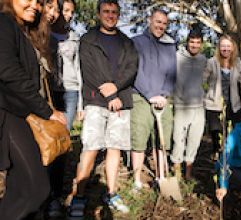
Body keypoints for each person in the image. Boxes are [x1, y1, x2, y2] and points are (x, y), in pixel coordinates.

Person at [68, 0, 138, 217]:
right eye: (106, 12)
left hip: (120, 103)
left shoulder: (127, 42)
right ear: (98, 14)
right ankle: (79, 195)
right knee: (90, 148)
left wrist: (115, 89)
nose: (110, 15)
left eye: (114, 12)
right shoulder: (88, 39)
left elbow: (132, 68)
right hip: (96, 101)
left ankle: (111, 192)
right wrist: (109, 93)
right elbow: (89, 70)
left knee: (114, 148)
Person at [0, 0, 67, 219]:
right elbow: (8, 71)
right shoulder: (4, 23)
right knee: (34, 190)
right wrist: (47, 111)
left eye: (38, 1)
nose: (34, 5)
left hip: (21, 113)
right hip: (8, 111)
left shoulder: (22, 30)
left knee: (26, 188)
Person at [130, 9, 176, 191]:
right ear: (150, 21)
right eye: (158, 22)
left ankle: (161, 177)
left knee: (162, 141)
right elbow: (134, 70)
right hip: (141, 97)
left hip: (163, 100)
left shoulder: (170, 45)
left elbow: (173, 73)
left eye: (164, 23)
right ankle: (136, 180)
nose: (160, 26)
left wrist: (164, 94)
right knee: (139, 139)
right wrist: (150, 94)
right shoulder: (137, 42)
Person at [46, 0, 82, 217]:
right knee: (44, 142)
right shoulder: (43, 33)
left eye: (71, 12)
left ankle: (55, 196)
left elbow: (78, 69)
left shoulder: (75, 38)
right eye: (64, 10)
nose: (67, 15)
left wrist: (81, 104)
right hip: (48, 93)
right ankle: (41, 190)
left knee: (62, 145)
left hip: (69, 92)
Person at [203, 34, 241, 156]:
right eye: (223, 46)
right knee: (217, 138)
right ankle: (218, 164)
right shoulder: (211, 62)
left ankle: (232, 164)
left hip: (233, 105)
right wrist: (204, 96)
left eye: (228, 46)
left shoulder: (237, 63)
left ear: (233, 48)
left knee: (233, 136)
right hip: (214, 105)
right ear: (219, 47)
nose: (226, 49)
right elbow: (202, 81)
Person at [171, 29, 207, 180]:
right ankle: (177, 173)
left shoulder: (204, 60)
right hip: (181, 105)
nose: (194, 45)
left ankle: (188, 174)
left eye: (198, 42)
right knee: (178, 140)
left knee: (194, 140)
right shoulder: (176, 57)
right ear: (187, 42)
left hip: (199, 107)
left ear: (201, 44)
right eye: (192, 42)